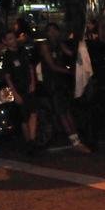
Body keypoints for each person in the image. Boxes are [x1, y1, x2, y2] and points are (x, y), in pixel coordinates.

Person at [39, 22, 90, 153]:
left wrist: (79, 44)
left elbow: (71, 54)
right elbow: (52, 66)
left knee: (66, 110)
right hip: (52, 83)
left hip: (61, 82)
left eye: (54, 30)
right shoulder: (45, 45)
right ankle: (75, 141)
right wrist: (69, 72)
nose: (52, 33)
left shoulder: (59, 44)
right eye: (49, 31)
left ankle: (76, 137)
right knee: (62, 112)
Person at [1, 29, 37, 150]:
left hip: (28, 86)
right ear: (5, 42)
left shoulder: (23, 51)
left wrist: (32, 82)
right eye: (10, 39)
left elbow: (30, 67)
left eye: (13, 38)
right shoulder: (7, 56)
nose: (13, 41)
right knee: (24, 117)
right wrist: (15, 93)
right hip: (18, 88)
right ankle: (28, 143)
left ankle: (32, 140)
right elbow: (8, 77)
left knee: (33, 113)